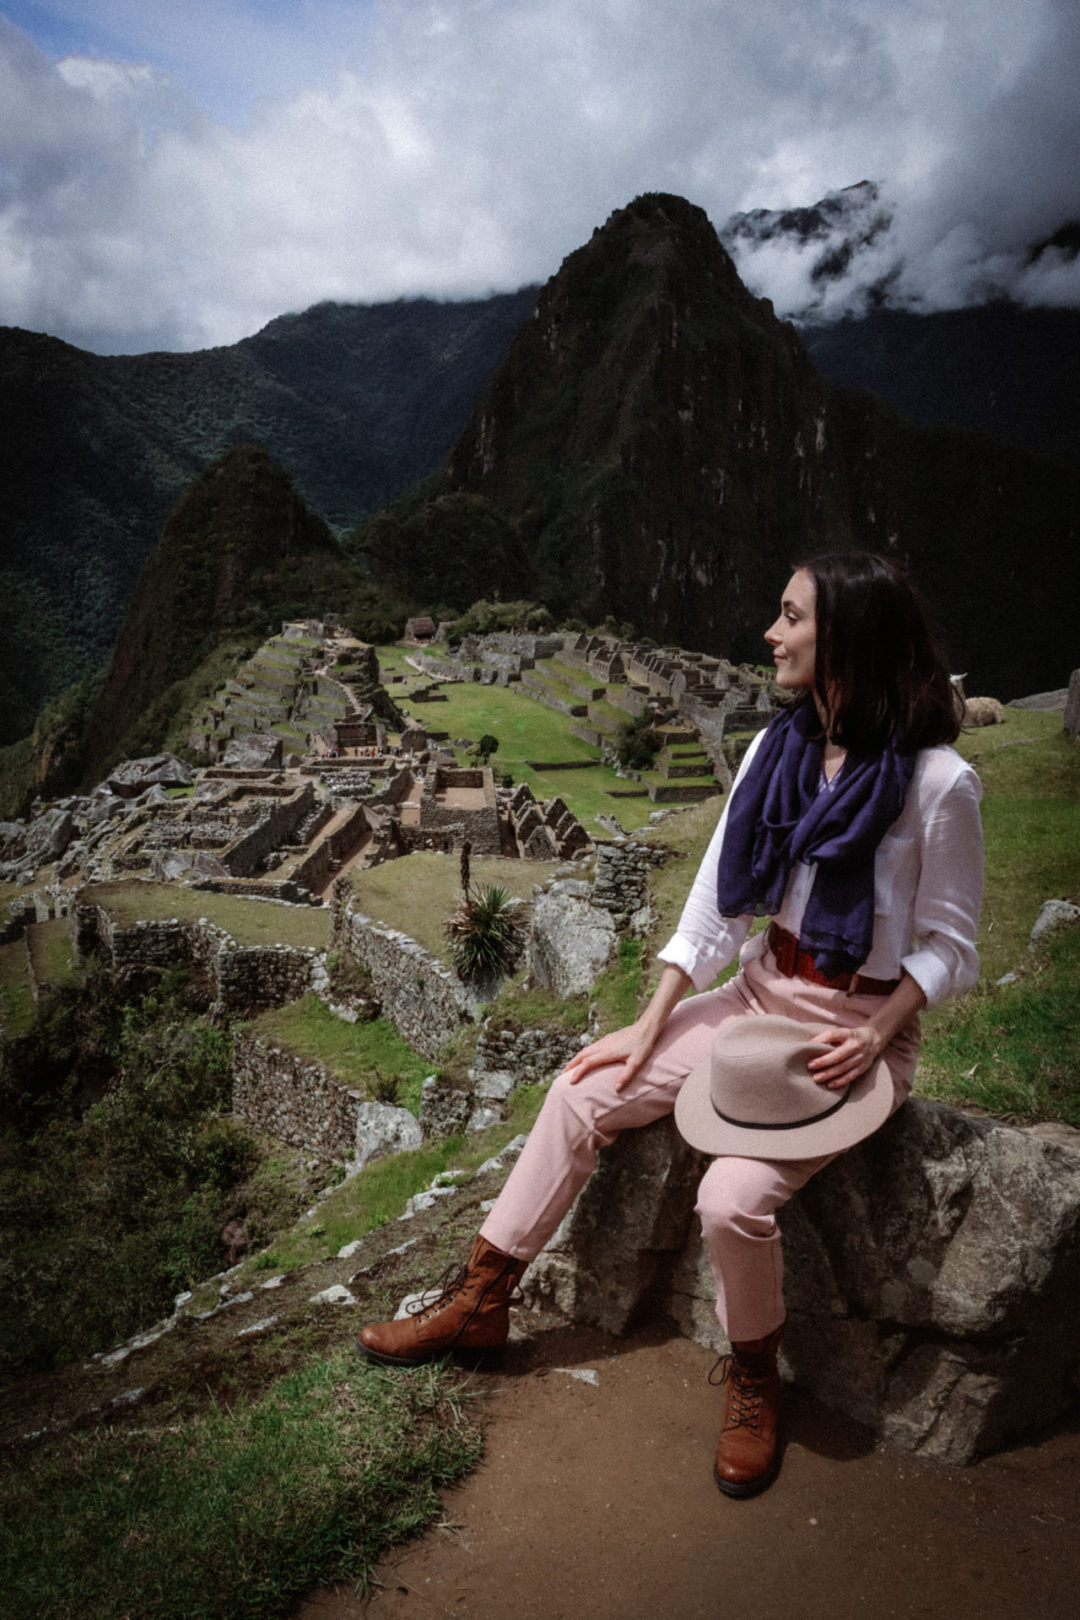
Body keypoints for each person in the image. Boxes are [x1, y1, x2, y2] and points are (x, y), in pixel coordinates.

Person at [356, 551, 984, 1498]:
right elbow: (715, 909)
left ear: (846, 638)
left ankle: (754, 1378)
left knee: (731, 1200)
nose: (771, 636)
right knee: (581, 1088)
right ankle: (481, 1301)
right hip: (756, 995)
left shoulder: (936, 785)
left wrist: (879, 1028)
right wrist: (649, 1026)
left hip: (850, 1029)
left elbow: (951, 945)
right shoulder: (780, 752)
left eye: (790, 618)